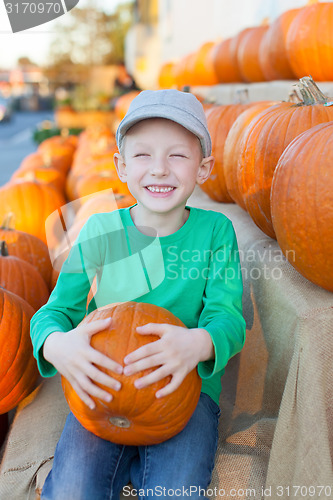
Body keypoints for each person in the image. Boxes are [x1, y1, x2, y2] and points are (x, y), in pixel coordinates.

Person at [30, 89, 246, 500]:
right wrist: (58, 345)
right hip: (101, 383)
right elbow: (54, 311)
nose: (160, 170)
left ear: (204, 169)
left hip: (184, 388)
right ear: (121, 166)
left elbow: (228, 317)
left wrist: (198, 343)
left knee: (176, 490)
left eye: (177, 156)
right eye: (143, 155)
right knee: (73, 489)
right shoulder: (99, 231)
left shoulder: (216, 232)